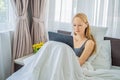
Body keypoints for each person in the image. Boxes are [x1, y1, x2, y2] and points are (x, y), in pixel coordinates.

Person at [7, 13, 96, 80]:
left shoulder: (89, 42)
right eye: (74, 25)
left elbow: (80, 62)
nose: (76, 28)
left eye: (80, 25)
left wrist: (64, 55)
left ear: (86, 25)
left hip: (73, 64)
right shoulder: (71, 38)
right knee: (50, 44)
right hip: (61, 59)